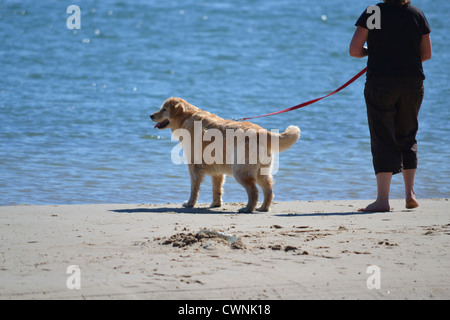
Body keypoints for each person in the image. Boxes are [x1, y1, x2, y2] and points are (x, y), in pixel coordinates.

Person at [349, 0, 432, 212]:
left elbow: (355, 50)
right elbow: (426, 54)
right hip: (411, 83)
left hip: (381, 84)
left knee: (382, 137)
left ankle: (383, 200)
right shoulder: (416, 14)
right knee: (408, 135)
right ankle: (410, 194)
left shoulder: (373, 11)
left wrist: (373, 52)